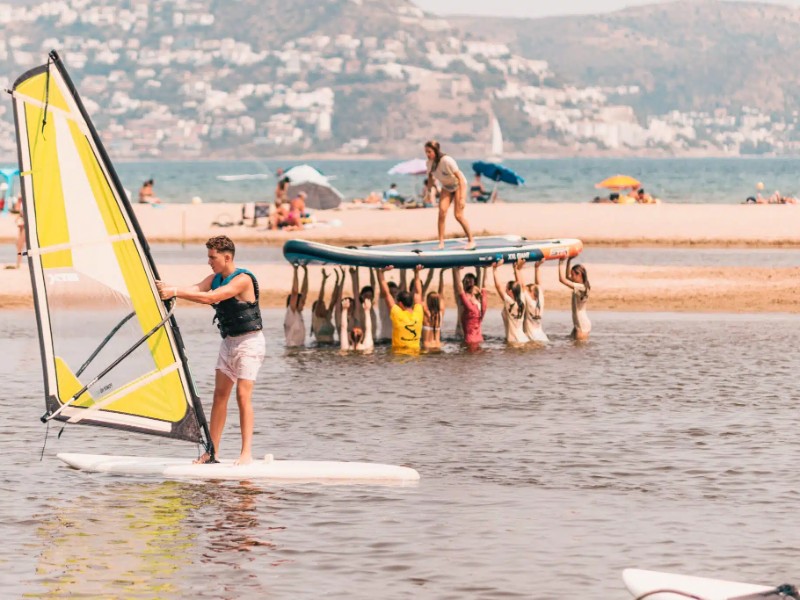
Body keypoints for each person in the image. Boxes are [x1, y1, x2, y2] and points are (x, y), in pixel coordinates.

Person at [155, 235, 264, 465]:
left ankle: (246, 454)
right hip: (229, 343)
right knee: (219, 397)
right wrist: (167, 288)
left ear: (227, 257)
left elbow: (212, 298)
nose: (209, 261)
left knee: (242, 396)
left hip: (249, 343)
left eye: (212, 257)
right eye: (208, 257)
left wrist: (175, 291)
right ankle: (212, 452)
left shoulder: (242, 280)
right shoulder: (214, 278)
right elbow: (196, 289)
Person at [424, 140, 475, 250]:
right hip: (446, 187)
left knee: (458, 215)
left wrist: (462, 198)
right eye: (426, 152)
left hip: (458, 185)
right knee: (441, 212)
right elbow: (430, 179)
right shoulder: (429, 163)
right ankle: (441, 243)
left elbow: (460, 178)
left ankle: (471, 241)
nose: (427, 154)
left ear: (436, 151)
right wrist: (428, 192)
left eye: (429, 152)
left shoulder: (447, 161)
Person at [377, 265, 424, 353]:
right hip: (415, 358)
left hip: (398, 358)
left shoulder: (397, 314)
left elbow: (386, 294)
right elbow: (418, 293)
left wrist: (381, 272)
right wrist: (417, 273)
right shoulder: (418, 313)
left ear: (400, 304)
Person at [492, 259, 529, 345]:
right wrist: (516, 268)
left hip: (514, 341)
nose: (505, 290)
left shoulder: (509, 302)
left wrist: (494, 269)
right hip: (523, 339)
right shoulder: (522, 300)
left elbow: (498, 287)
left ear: (510, 291)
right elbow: (520, 285)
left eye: (506, 288)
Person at [559, 256, 591, 341]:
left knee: (578, 350)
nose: (571, 277)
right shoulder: (584, 284)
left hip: (581, 324)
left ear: (579, 274)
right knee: (573, 345)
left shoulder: (581, 287)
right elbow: (566, 276)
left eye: (573, 275)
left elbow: (562, 280)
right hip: (579, 322)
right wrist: (569, 260)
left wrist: (561, 262)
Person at [453, 266, 487, 349]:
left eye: (470, 282)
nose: (468, 284)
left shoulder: (470, 303)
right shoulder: (480, 306)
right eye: (466, 282)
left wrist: (455, 269)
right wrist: (485, 268)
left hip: (469, 337)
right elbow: (484, 287)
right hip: (471, 335)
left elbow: (482, 284)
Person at [518, 259, 548, 343]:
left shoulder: (530, 302)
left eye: (528, 290)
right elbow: (538, 284)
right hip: (542, 337)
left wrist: (518, 269)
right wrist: (537, 267)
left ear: (532, 293)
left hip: (532, 339)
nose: (526, 291)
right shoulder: (540, 299)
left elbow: (522, 286)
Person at [311, 268, 339, 345]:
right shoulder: (316, 318)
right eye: (322, 307)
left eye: (324, 306)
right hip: (320, 347)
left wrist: (337, 281)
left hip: (331, 346)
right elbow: (320, 299)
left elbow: (333, 300)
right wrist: (324, 281)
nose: (324, 308)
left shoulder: (327, 316)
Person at [422, 269, 446, 351]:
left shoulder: (425, 314)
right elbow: (441, 292)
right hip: (438, 346)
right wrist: (441, 274)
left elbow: (420, 296)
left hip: (427, 347)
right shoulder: (440, 314)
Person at [285, 264, 308, 347]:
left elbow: (304, 292)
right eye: (302, 302)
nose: (304, 303)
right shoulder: (291, 312)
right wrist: (296, 270)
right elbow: (295, 292)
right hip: (292, 351)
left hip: (300, 348)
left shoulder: (298, 313)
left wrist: (306, 272)